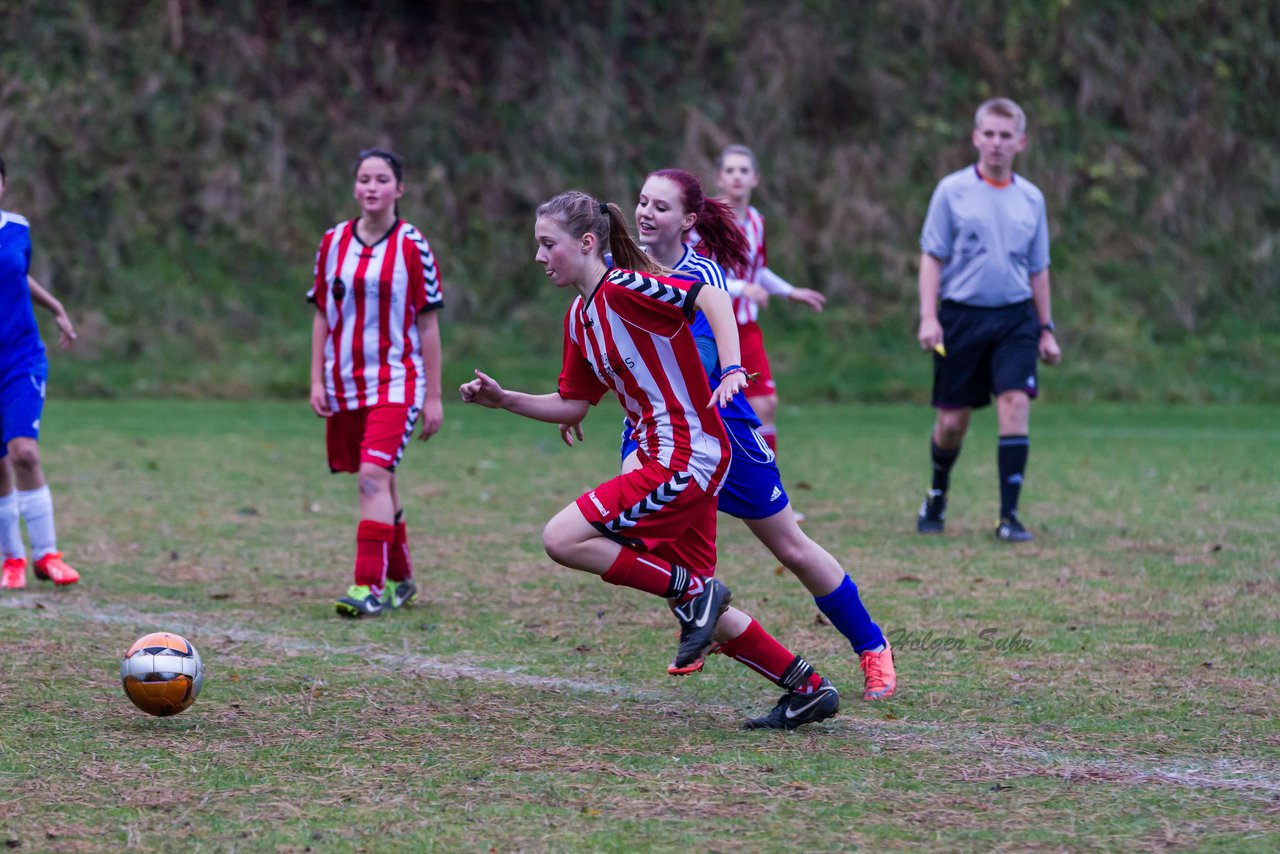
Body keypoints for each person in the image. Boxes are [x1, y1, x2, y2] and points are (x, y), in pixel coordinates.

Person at [462, 190, 840, 729]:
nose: (539, 257)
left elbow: (710, 299)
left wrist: (732, 368)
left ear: (587, 243)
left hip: (687, 455)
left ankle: (695, 592)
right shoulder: (579, 315)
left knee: (564, 539)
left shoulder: (624, 286)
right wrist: (505, 401)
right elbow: (573, 402)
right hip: (668, 456)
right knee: (695, 605)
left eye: (549, 245)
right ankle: (807, 688)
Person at [580, 167, 895, 700]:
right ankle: (761, 659)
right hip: (654, 433)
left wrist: (719, 370)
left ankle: (873, 648)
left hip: (722, 429)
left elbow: (702, 349)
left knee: (790, 547)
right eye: (642, 202)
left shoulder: (703, 274)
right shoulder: (615, 270)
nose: (646, 213)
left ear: (688, 219)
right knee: (657, 558)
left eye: (661, 207)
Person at [914, 98, 1061, 542]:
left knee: (1015, 403)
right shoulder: (951, 191)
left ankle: (1008, 516)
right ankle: (937, 492)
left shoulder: (1031, 198)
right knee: (952, 422)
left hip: (1016, 318)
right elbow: (932, 258)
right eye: (989, 134)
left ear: (1021, 142)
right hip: (960, 318)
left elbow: (1039, 269)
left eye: (1006, 135)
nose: (997, 143)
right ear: (977, 137)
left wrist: (1046, 328)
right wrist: (928, 317)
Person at [308, 148, 444, 616]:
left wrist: (433, 397)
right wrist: (317, 379)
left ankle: (370, 588)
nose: (371, 187)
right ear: (354, 187)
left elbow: (428, 325)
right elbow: (323, 314)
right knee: (379, 480)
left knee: (371, 478)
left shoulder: (412, 245)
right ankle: (402, 579)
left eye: (381, 179)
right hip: (344, 383)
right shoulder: (333, 242)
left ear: (399, 189)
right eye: (363, 178)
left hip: (398, 383)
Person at [0, 155, 82, 590]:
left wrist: (56, 308)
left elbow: (18, 276)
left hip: (20, 358)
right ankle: (12, 559)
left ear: (4, 183)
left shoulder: (17, 228)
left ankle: (47, 554)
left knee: (24, 453)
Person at [714, 145, 827, 456]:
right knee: (703, 411)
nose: (737, 176)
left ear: (756, 179)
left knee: (765, 403)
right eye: (730, 170)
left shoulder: (757, 221)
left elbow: (757, 270)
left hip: (746, 328)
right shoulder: (707, 221)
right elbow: (693, 274)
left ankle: (770, 499)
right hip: (708, 328)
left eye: (744, 170)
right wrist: (740, 289)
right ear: (719, 179)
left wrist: (791, 291)